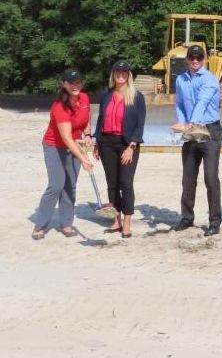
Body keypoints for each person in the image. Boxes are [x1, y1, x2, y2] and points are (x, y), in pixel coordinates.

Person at [32, 69, 93, 240]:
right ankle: (40, 225)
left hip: (76, 144)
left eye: (78, 82)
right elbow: (66, 138)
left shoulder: (85, 98)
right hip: (55, 146)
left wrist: (87, 134)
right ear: (64, 84)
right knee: (56, 185)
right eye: (71, 83)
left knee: (70, 185)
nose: (75, 85)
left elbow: (87, 117)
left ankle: (66, 223)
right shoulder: (60, 106)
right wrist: (83, 158)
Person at [172, 45, 222, 237]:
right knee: (188, 178)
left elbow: (202, 102)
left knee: (210, 178)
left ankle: (214, 222)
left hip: (209, 130)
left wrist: (191, 124)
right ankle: (187, 218)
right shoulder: (181, 80)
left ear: (204, 59)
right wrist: (182, 123)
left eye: (199, 57)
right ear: (187, 59)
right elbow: (179, 104)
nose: (195, 60)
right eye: (192, 57)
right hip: (190, 131)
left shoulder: (210, 79)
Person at [93, 60, 146, 239]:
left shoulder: (137, 96)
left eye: (124, 72)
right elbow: (100, 120)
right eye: (118, 71)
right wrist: (97, 142)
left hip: (127, 144)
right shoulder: (106, 94)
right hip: (106, 143)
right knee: (112, 184)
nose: (120, 74)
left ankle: (127, 222)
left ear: (128, 75)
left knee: (126, 183)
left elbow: (140, 124)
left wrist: (131, 146)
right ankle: (116, 220)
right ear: (113, 74)